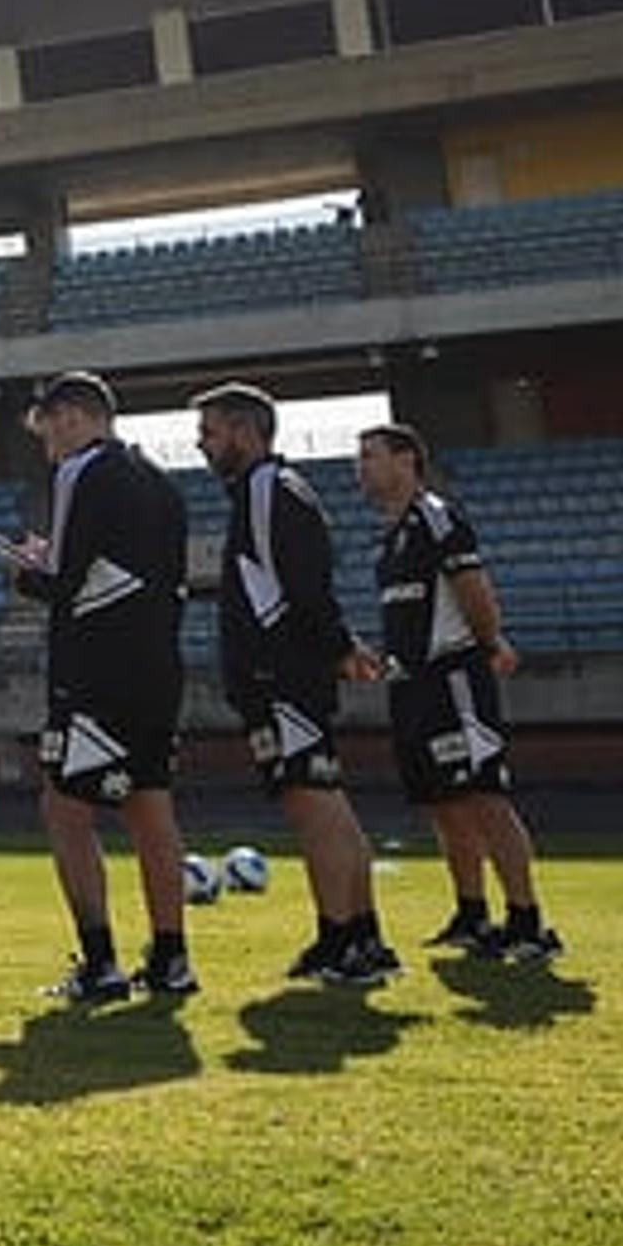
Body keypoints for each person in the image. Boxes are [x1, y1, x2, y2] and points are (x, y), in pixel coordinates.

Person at [1, 369, 198, 1006]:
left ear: (70, 417)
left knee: (64, 808)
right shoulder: (162, 485)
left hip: (94, 668)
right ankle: (171, 959)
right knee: (150, 805)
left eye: (47, 427)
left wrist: (24, 570)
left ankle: (100, 960)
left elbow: (62, 583)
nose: (46, 443)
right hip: (156, 664)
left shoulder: (80, 472)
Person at [192, 381, 394, 986]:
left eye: (211, 431)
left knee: (314, 805)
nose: (202, 445)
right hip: (288, 675)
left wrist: (333, 647)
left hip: (280, 677)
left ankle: (344, 941)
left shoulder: (264, 490)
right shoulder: (274, 490)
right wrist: (338, 645)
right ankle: (360, 935)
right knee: (325, 801)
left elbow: (299, 588)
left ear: (246, 431)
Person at [354, 422, 563, 965]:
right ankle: (472, 913)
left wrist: (491, 642)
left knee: (485, 796)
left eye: (370, 457)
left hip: (453, 677)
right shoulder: (390, 534)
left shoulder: (436, 518)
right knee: (443, 803)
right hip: (411, 684)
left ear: (406, 461)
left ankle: (527, 920)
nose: (361, 469)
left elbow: (473, 588)